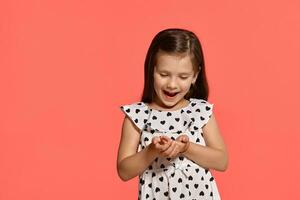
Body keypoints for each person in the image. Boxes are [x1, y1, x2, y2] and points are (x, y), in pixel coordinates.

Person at [117, 28, 228, 200]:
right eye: (164, 74)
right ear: (151, 70)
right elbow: (124, 171)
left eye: (183, 77)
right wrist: (152, 150)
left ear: (195, 76)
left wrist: (186, 147)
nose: (172, 84)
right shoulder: (138, 115)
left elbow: (221, 161)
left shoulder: (200, 112)